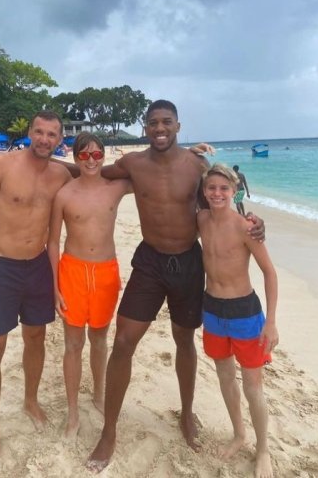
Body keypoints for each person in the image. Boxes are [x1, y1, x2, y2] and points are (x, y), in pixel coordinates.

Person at [86, 99, 265, 472]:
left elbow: (220, 203)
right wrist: (50, 165)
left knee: (184, 340)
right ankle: (109, 430)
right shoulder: (133, 164)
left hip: (187, 262)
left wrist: (254, 223)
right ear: (145, 127)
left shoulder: (196, 165)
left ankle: (186, 413)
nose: (159, 128)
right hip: (150, 262)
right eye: (153, 122)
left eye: (166, 122)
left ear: (178, 126)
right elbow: (92, 171)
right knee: (124, 341)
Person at [0, 110, 71, 467]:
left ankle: (30, 400)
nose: (44, 139)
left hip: (38, 265)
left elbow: (100, 173)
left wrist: (182, 156)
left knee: (36, 337)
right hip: (0, 266)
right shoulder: (2, 165)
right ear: (29, 132)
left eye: (52, 134)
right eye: (39, 132)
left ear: (60, 139)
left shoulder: (61, 174)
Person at [47, 132, 132, 439]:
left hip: (106, 272)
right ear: (76, 158)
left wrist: (191, 155)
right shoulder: (64, 194)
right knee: (73, 344)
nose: (91, 160)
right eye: (85, 155)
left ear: (104, 156)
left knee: (99, 338)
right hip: (72, 271)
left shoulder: (116, 188)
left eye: (97, 155)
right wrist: (54, 286)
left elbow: (156, 174)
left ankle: (99, 394)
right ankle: (72, 412)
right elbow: (53, 241)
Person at [197, 164, 278, 478]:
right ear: (204, 191)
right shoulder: (201, 220)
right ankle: (239, 434)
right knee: (225, 377)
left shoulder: (246, 227)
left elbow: (269, 273)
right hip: (213, 310)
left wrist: (271, 322)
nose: (217, 193)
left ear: (234, 191)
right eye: (212, 188)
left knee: (253, 387)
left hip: (245, 312)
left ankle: (263, 449)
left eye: (224, 188)